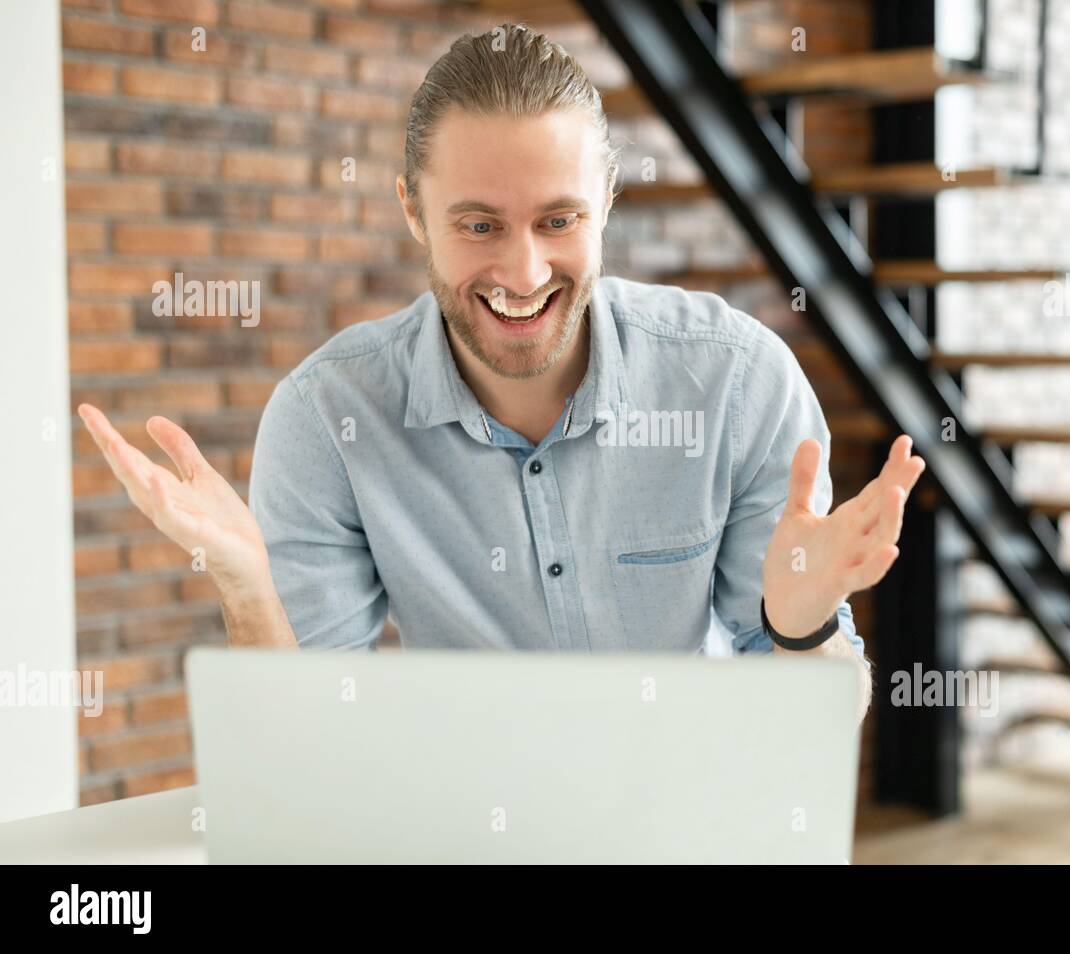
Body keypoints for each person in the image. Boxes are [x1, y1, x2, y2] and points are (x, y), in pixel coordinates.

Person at [78, 23, 925, 724]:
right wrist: (244, 585)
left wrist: (801, 624)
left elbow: (819, 721)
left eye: (559, 219)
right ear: (412, 209)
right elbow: (309, 743)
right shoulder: (328, 417)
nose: (523, 274)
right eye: (479, 226)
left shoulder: (735, 382)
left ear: (608, 201)